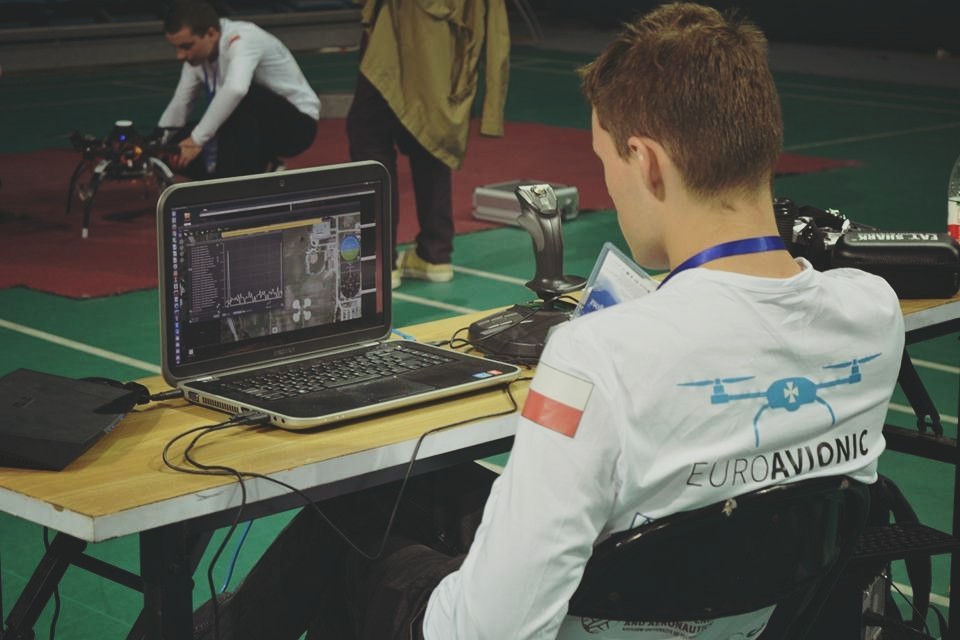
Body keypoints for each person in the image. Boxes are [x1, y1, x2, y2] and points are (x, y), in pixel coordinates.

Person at [190, 3, 905, 639]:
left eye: (607, 163)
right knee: (396, 495)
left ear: (647, 163)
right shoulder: (872, 312)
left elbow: (487, 631)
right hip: (741, 616)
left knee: (347, 530)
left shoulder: (598, 356)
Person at [346, 0, 510, 288]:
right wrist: (492, 110)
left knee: (370, 138)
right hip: (447, 49)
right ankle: (435, 254)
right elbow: (497, 24)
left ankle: (379, 259)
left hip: (397, 40)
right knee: (430, 139)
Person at [157, 0, 320, 179]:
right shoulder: (196, 57)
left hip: (296, 126)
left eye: (186, 46)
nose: (180, 55)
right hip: (252, 123)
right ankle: (258, 168)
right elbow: (180, 103)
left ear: (211, 33)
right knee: (176, 143)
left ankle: (243, 177)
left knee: (241, 99)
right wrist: (158, 144)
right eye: (176, 48)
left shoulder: (243, 38)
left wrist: (196, 140)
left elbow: (236, 89)